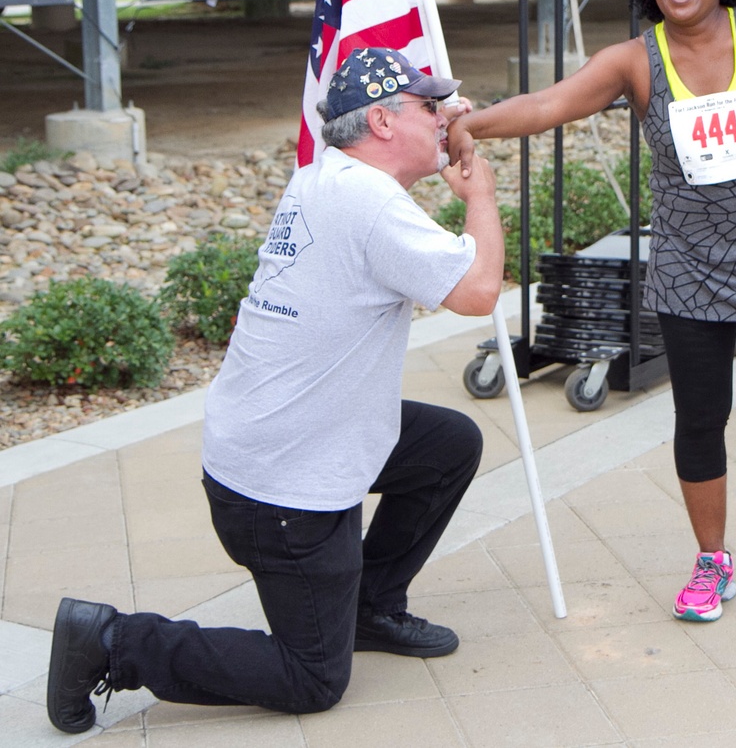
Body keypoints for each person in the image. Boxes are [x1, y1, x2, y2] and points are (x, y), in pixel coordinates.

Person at [46, 47, 504, 734]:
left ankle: (369, 607)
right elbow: (477, 289)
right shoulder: (370, 203)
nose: (445, 118)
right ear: (381, 120)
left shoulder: (328, 179)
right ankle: (113, 642)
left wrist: (444, 123)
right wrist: (482, 196)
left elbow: (409, 192)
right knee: (312, 676)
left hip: (276, 445)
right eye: (430, 107)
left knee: (447, 445)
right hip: (282, 491)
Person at [449, 0, 736, 628]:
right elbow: (549, 104)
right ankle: (712, 561)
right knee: (700, 418)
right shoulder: (636, 59)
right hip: (690, 266)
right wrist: (467, 124)